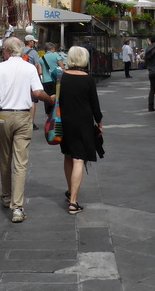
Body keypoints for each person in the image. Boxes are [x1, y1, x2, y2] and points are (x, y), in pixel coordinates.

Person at [0, 36, 55, 223]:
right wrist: (50, 99)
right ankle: (17, 208)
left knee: (5, 158)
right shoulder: (30, 68)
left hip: (3, 115)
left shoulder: (0, 67)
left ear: (7, 51)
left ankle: (6, 194)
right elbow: (36, 93)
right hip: (24, 116)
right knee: (20, 162)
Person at [57, 46, 103, 214]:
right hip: (83, 122)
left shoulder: (62, 77)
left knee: (68, 156)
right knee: (78, 159)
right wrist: (99, 122)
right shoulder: (88, 79)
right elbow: (95, 105)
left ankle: (70, 191)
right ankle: (74, 202)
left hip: (65, 122)